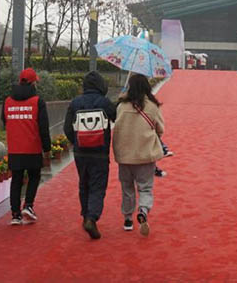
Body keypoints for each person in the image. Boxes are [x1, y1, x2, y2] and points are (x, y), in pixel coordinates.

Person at [63, 70, 116, 240]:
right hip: (100, 152)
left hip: (81, 153)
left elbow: (67, 128)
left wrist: (77, 141)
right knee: (98, 185)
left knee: (84, 183)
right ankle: (91, 218)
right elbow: (116, 117)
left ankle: (85, 214)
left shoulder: (75, 102)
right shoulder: (105, 102)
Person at [112, 73, 165, 236]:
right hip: (145, 154)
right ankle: (143, 210)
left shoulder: (121, 106)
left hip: (125, 155)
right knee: (145, 187)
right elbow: (160, 130)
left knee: (127, 188)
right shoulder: (152, 107)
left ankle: (127, 219)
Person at [2, 67, 51, 225]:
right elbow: (43, 128)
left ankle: (15, 214)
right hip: (32, 147)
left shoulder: (7, 102)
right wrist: (47, 149)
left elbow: (5, 122)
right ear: (33, 83)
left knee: (16, 179)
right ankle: (28, 205)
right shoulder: (38, 102)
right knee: (34, 176)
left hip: (15, 148)